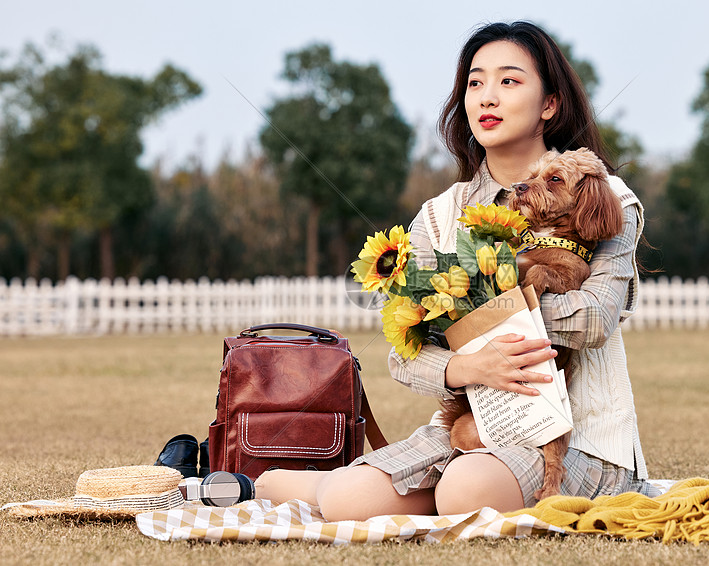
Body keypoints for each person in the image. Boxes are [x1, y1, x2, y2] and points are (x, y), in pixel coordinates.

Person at [255, 20, 660, 521]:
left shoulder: (604, 197)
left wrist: (489, 318)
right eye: (475, 82)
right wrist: (466, 365)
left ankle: (356, 480)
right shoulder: (438, 216)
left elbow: (596, 318)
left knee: (464, 492)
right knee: (346, 502)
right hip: (470, 421)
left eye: (509, 81)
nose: (487, 96)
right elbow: (405, 353)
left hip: (581, 439)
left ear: (549, 104)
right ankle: (294, 480)